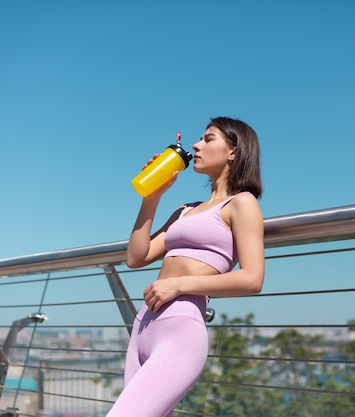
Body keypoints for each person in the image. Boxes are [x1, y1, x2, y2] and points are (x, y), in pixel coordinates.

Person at [107, 116, 265, 417]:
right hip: (144, 325)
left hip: (180, 328)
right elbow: (136, 257)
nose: (196, 145)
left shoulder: (241, 204)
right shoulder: (185, 210)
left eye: (208, 138)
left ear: (234, 151)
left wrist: (179, 285)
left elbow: (252, 278)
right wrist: (152, 196)